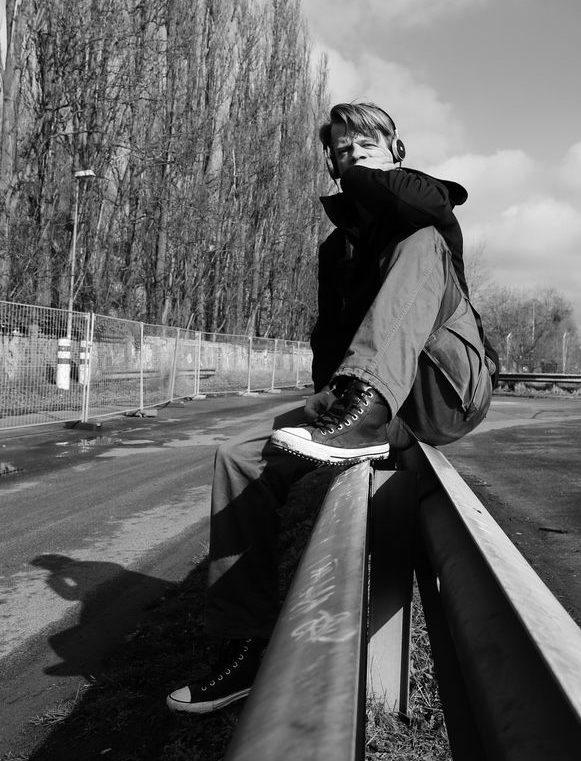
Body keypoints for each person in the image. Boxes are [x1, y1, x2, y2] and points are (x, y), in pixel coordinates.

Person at [166, 101, 497, 714]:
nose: (352, 156)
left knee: (417, 243)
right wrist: (324, 414)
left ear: (396, 152)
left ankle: (364, 408)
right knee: (239, 459)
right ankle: (243, 649)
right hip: (376, 397)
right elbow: (330, 342)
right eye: (341, 151)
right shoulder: (336, 250)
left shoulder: (426, 213)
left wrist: (364, 172)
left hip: (447, 387)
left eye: (366, 145)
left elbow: (418, 204)